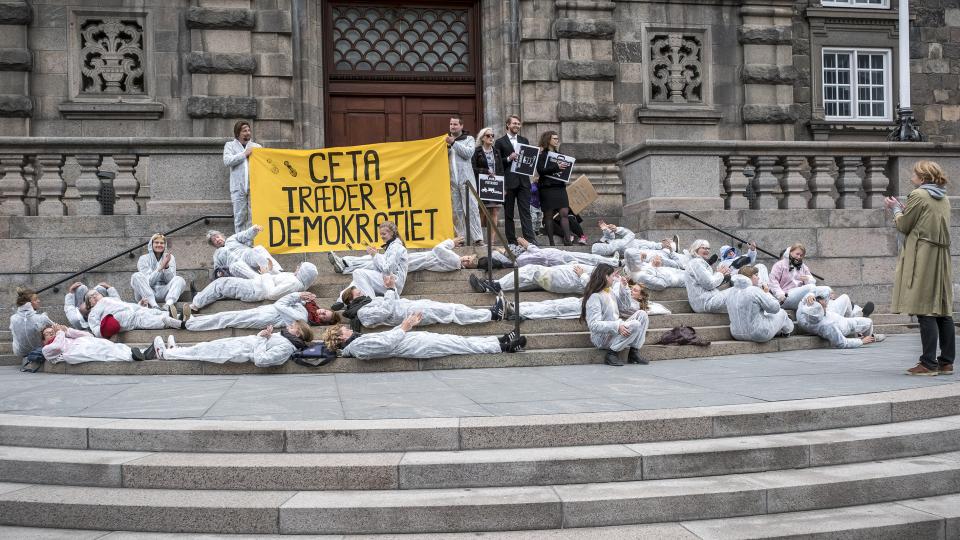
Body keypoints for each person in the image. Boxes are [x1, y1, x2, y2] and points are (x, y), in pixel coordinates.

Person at [884, 160, 954, 376]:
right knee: (943, 309)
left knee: (925, 308)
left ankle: (928, 363)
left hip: (923, 255)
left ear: (923, 177)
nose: (911, 176)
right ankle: (946, 362)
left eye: (914, 173)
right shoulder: (943, 197)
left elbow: (904, 225)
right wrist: (907, 210)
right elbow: (924, 218)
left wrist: (895, 209)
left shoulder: (919, 195)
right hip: (940, 255)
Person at [323, 312, 525, 360]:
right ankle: (502, 346)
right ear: (341, 338)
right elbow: (384, 344)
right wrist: (404, 326)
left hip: (415, 341)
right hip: (416, 347)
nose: (348, 329)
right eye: (344, 331)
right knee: (461, 345)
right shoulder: (357, 347)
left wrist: (408, 324)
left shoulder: (357, 342)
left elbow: (387, 337)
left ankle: (499, 340)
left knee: (460, 341)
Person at [340, 275, 504, 331]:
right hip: (412, 313)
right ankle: (491, 314)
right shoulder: (362, 313)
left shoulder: (367, 303)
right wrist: (389, 290)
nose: (361, 291)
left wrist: (392, 287)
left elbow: (392, 302)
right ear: (351, 298)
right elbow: (387, 311)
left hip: (411, 306)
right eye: (357, 291)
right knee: (451, 311)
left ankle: (491, 313)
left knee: (451, 309)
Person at [154, 320, 313, 368]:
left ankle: (166, 354)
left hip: (239, 351)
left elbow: (261, 360)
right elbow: (263, 342)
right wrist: (263, 335)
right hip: (241, 343)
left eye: (292, 327)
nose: (287, 327)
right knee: (204, 346)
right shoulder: (285, 338)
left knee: (204, 350)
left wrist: (262, 338)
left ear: (298, 333)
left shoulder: (287, 347)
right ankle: (176, 351)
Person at [580, 264, 650, 366]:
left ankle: (633, 353)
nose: (614, 279)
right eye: (612, 276)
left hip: (614, 330)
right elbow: (593, 325)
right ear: (605, 277)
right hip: (601, 338)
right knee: (635, 324)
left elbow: (625, 305)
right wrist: (617, 326)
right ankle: (612, 354)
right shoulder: (595, 297)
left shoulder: (610, 291)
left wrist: (623, 286)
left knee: (642, 314)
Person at [189, 262, 318, 311]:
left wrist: (266, 274)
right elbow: (275, 280)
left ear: (304, 273)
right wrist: (270, 271)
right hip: (257, 284)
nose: (297, 267)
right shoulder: (294, 279)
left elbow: (272, 294)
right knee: (236, 266)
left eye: (300, 267)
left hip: (254, 290)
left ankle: (196, 304)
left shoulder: (294, 284)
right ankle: (202, 296)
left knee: (220, 284)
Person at [185, 292, 336, 331]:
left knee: (227, 319)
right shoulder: (307, 307)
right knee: (226, 316)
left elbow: (281, 304)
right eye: (325, 311)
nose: (321, 313)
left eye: (324, 317)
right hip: (265, 312)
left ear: (322, 322)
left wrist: (297, 296)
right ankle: (191, 321)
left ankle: (190, 324)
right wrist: (301, 298)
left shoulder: (303, 318)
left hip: (265, 318)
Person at [495, 115, 536, 246]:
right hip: (508, 182)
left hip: (524, 181)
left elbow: (528, 160)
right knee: (509, 214)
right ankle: (511, 241)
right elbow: (497, 163)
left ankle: (530, 240)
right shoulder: (500, 142)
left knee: (525, 212)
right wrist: (508, 158)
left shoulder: (524, 140)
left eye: (518, 124)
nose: (517, 126)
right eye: (514, 123)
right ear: (507, 125)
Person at [724, 266, 793, 343]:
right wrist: (766, 293)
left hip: (736, 334)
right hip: (758, 334)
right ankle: (787, 331)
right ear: (749, 277)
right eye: (756, 275)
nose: (758, 278)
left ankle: (780, 330)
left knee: (765, 314)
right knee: (782, 313)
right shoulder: (754, 290)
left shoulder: (731, 291)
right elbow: (775, 308)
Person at [797, 290, 885, 349]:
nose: (825, 303)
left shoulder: (803, 312)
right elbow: (842, 343)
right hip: (845, 325)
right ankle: (869, 337)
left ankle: (858, 313)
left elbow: (810, 291)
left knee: (845, 297)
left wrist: (810, 296)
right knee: (868, 322)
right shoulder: (827, 326)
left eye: (817, 301)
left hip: (833, 315)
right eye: (823, 304)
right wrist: (861, 341)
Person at [342, 221, 409, 297]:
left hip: (393, 283)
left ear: (392, 233)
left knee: (358, 273)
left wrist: (375, 255)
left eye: (384, 234)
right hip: (386, 280)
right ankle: (342, 299)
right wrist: (375, 255)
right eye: (380, 234)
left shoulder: (396, 247)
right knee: (357, 280)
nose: (382, 236)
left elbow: (388, 269)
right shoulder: (391, 247)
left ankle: (371, 301)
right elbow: (380, 269)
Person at [330, 238, 468, 274]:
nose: (466, 259)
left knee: (375, 263)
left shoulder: (456, 262)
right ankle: (344, 261)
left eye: (469, 262)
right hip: (414, 259)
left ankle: (345, 266)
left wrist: (451, 242)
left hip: (415, 262)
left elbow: (439, 249)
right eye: (468, 257)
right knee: (373, 259)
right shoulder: (454, 260)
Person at [85, 289, 182, 338]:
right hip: (125, 319)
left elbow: (124, 304)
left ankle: (176, 316)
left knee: (152, 312)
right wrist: (105, 331)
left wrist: (139, 304)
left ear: (101, 294)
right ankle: (169, 322)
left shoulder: (110, 299)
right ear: (89, 304)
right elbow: (96, 329)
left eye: (96, 294)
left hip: (133, 309)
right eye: (90, 297)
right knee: (145, 320)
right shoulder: (93, 312)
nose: (94, 296)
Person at [131, 233, 187, 318]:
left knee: (179, 279)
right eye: (156, 242)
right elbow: (149, 282)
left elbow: (171, 280)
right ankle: (154, 306)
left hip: (164, 291)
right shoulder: (143, 259)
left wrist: (167, 266)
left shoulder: (170, 257)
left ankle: (168, 306)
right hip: (146, 293)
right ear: (151, 244)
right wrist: (160, 267)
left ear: (165, 245)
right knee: (136, 276)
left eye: (162, 243)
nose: (159, 245)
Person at [447, 115, 483, 245]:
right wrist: (446, 147)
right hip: (452, 181)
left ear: (461, 126)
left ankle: (478, 238)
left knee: (472, 208)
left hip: (466, 181)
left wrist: (454, 143)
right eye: (451, 124)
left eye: (455, 124)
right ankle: (460, 239)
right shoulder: (445, 141)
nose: (453, 126)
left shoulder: (469, 139)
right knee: (456, 211)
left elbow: (468, 154)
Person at [223, 120, 261, 233]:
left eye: (249, 130)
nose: (248, 132)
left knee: (253, 217)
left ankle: (251, 244)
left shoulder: (257, 147)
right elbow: (227, 161)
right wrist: (244, 154)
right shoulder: (230, 146)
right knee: (239, 218)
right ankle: (239, 244)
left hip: (254, 188)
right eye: (244, 131)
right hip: (238, 188)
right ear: (238, 133)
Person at [535, 131, 573, 245]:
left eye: (557, 138)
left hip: (560, 187)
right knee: (549, 214)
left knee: (564, 213)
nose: (557, 140)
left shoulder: (560, 155)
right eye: (554, 138)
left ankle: (568, 240)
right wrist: (556, 167)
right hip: (547, 188)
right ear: (548, 140)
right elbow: (541, 170)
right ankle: (551, 242)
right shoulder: (542, 155)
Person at [768, 243, 829, 311]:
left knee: (826, 290)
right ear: (790, 252)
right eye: (797, 254)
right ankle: (814, 305)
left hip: (801, 297)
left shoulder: (803, 267)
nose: (799, 257)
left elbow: (812, 282)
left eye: (801, 255)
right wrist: (780, 295)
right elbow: (773, 281)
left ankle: (819, 310)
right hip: (786, 296)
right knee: (811, 287)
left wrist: (808, 279)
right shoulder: (779, 265)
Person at [208, 225, 282, 277]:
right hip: (238, 267)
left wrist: (254, 229)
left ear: (222, 236)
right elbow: (217, 269)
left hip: (246, 256)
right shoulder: (217, 255)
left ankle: (277, 272)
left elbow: (245, 235)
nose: (217, 240)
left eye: (217, 237)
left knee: (256, 249)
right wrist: (219, 274)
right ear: (213, 244)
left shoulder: (231, 239)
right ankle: (262, 278)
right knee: (234, 266)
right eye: (214, 240)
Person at [470, 263, 594, 294]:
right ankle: (489, 287)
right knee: (528, 278)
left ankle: (496, 285)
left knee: (531, 270)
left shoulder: (611, 280)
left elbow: (594, 288)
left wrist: (582, 275)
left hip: (563, 280)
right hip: (561, 277)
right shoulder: (609, 273)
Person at [41, 324, 133, 364]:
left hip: (83, 343)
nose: (51, 333)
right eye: (47, 334)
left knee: (109, 344)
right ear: (43, 341)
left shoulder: (64, 337)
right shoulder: (46, 350)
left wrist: (68, 331)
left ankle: (139, 352)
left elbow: (89, 335)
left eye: (52, 331)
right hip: (74, 352)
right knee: (104, 352)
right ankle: (131, 356)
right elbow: (58, 347)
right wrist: (59, 332)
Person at [472, 127, 504, 243]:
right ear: (482, 138)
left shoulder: (496, 151)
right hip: (482, 184)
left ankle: (492, 241)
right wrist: (486, 171)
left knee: (494, 211)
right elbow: (473, 168)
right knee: (482, 210)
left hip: (496, 184)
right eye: (488, 136)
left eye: (492, 135)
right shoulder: (477, 151)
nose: (491, 138)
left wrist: (503, 186)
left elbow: (500, 169)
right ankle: (479, 239)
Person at [684, 239, 733, 314]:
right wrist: (720, 274)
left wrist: (722, 276)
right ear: (696, 249)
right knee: (740, 291)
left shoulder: (697, 262)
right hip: (706, 302)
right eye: (704, 248)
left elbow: (707, 283)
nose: (707, 250)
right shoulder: (696, 262)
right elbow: (709, 284)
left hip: (706, 300)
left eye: (708, 248)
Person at [10, 287, 53, 359]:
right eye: (36, 300)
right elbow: (59, 328)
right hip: (39, 350)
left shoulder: (13, 318)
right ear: (28, 304)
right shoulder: (41, 318)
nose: (39, 301)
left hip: (19, 351)